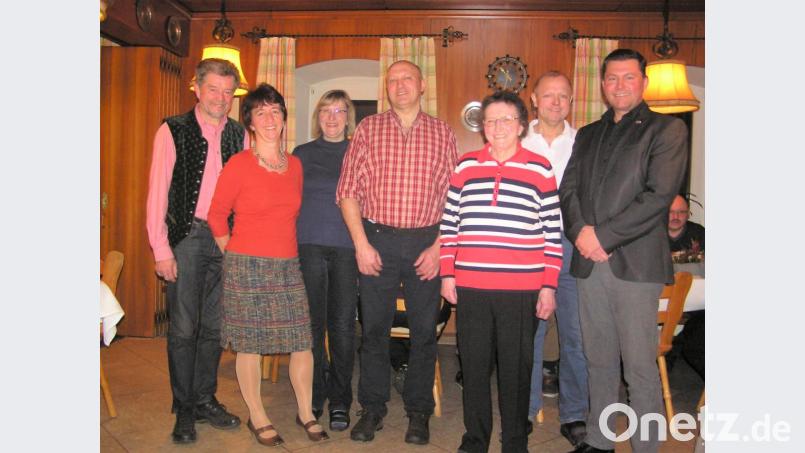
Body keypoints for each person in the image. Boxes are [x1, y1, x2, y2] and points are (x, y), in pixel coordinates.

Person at [559, 48, 689, 453]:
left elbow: (657, 196)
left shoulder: (666, 131)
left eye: (628, 77)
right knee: (598, 361)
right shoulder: (587, 133)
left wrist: (603, 237)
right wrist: (580, 232)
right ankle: (599, 441)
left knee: (638, 369)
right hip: (589, 264)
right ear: (602, 84)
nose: (619, 85)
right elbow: (569, 190)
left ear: (644, 82)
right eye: (612, 78)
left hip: (635, 265)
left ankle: (646, 446)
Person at [336, 59, 458, 445]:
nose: (400, 85)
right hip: (377, 240)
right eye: (393, 80)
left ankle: (418, 412)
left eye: (407, 79)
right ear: (385, 87)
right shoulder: (368, 130)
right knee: (372, 331)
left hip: (426, 242)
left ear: (423, 85)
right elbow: (348, 192)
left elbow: (457, 201)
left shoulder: (442, 133)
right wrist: (361, 244)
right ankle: (372, 408)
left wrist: (440, 248)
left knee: (424, 333)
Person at [440, 90, 563, 453]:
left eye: (506, 119)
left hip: (521, 289)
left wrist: (548, 286)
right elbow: (450, 225)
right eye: (490, 120)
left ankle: (514, 441)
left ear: (522, 125)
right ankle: (474, 438)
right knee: (474, 368)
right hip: (472, 286)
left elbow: (552, 232)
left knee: (516, 369)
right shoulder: (465, 166)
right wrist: (448, 274)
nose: (498, 127)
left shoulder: (540, 168)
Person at [207, 83, 328, 447]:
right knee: (250, 345)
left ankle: (306, 411)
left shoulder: (295, 166)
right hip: (246, 265)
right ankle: (257, 415)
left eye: (275, 110)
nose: (269, 117)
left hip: (287, 264)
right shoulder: (239, 164)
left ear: (284, 118)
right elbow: (216, 216)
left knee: (302, 342)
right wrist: (236, 253)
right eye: (261, 112)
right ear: (251, 124)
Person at [146, 58, 246, 444]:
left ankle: (205, 399)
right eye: (214, 89)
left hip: (228, 242)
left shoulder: (241, 135)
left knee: (215, 328)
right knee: (184, 328)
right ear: (197, 88)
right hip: (187, 237)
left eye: (228, 91)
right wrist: (161, 249)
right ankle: (184, 408)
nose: (221, 98)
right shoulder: (172, 130)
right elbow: (157, 193)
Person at [521, 70, 589, 448]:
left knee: (576, 337)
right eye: (549, 95)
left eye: (563, 96)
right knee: (529, 336)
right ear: (534, 99)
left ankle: (575, 413)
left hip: (569, 247)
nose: (556, 102)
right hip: (526, 250)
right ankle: (526, 410)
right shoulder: (515, 141)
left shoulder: (584, 143)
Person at [294, 89, 359, 432]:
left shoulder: (359, 152)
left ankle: (340, 400)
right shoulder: (301, 154)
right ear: (318, 117)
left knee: (344, 327)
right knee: (313, 327)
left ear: (348, 117)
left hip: (348, 249)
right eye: (325, 111)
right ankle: (313, 396)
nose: (332, 117)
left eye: (339, 111)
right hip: (309, 247)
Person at [667, 195, 705, 379]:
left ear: (688, 214)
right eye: (671, 212)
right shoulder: (650, 236)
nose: (676, 216)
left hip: (696, 301)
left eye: (681, 212)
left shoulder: (699, 234)